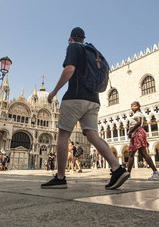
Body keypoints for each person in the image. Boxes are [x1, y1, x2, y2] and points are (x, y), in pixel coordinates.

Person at [42, 27, 129, 189]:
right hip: (94, 99)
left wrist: (54, 91)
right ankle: (117, 168)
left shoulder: (73, 47)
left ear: (70, 39)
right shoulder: (94, 51)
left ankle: (60, 178)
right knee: (92, 135)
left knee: (63, 135)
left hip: (75, 97)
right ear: (83, 39)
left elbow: (70, 69)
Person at [127, 101, 159, 180]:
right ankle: (155, 172)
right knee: (140, 153)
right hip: (138, 133)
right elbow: (141, 126)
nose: (132, 107)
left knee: (133, 154)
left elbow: (139, 123)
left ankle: (128, 175)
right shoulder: (137, 114)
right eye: (131, 106)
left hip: (137, 133)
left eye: (133, 105)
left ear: (137, 106)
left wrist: (130, 131)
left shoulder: (138, 114)